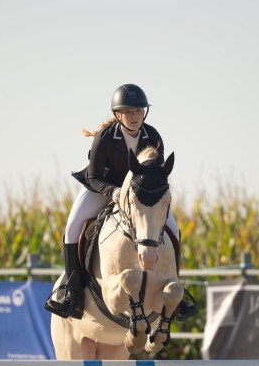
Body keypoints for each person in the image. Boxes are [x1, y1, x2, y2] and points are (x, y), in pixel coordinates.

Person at [45, 84, 197, 321]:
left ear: (144, 113)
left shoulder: (153, 136)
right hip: (103, 189)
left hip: (139, 197)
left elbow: (157, 175)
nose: (134, 116)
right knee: (72, 226)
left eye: (138, 111)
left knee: (174, 229)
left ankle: (176, 289)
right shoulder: (105, 138)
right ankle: (71, 291)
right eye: (128, 112)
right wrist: (114, 192)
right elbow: (94, 177)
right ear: (118, 115)